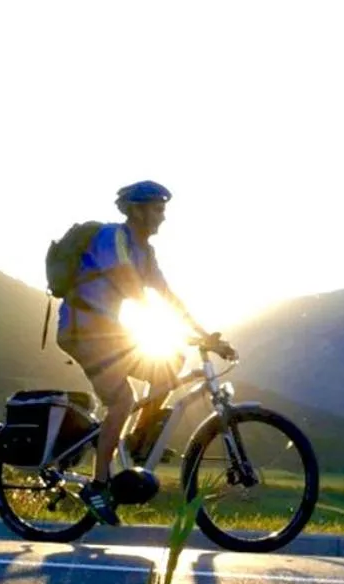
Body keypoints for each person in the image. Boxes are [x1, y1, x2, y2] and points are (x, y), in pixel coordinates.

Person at [54, 179, 227, 524]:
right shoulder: (113, 238)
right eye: (158, 209)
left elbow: (168, 295)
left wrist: (207, 336)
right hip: (82, 329)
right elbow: (130, 286)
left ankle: (135, 442)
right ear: (137, 210)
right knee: (122, 399)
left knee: (169, 363)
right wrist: (166, 324)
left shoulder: (145, 251)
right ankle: (98, 486)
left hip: (106, 331)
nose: (163, 217)